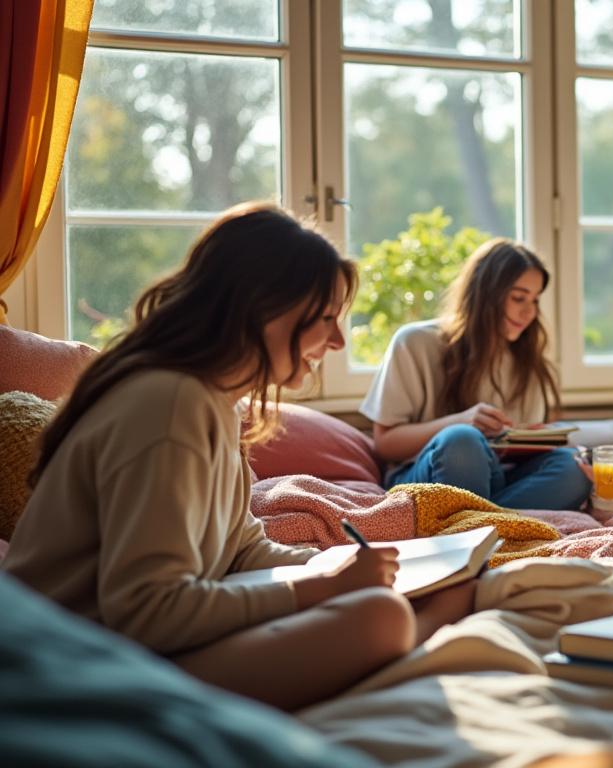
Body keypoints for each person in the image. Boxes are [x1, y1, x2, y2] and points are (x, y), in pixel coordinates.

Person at [4, 203, 476, 711]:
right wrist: (321, 591)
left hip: (129, 643)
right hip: (79, 669)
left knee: (394, 600)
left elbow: (243, 550)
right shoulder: (167, 406)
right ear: (263, 311)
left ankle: (408, 636)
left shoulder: (212, 400)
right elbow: (146, 609)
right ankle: (416, 645)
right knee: (381, 619)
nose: (338, 341)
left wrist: (336, 569)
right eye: (324, 319)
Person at [361, 239, 590, 510]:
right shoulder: (414, 343)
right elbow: (385, 444)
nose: (529, 312)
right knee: (461, 441)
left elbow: (518, 451)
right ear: (486, 294)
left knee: (573, 466)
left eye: (535, 300)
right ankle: (495, 522)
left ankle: (482, 522)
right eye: (518, 298)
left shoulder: (528, 360)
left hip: (502, 477)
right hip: (429, 475)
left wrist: (534, 438)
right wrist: (462, 421)